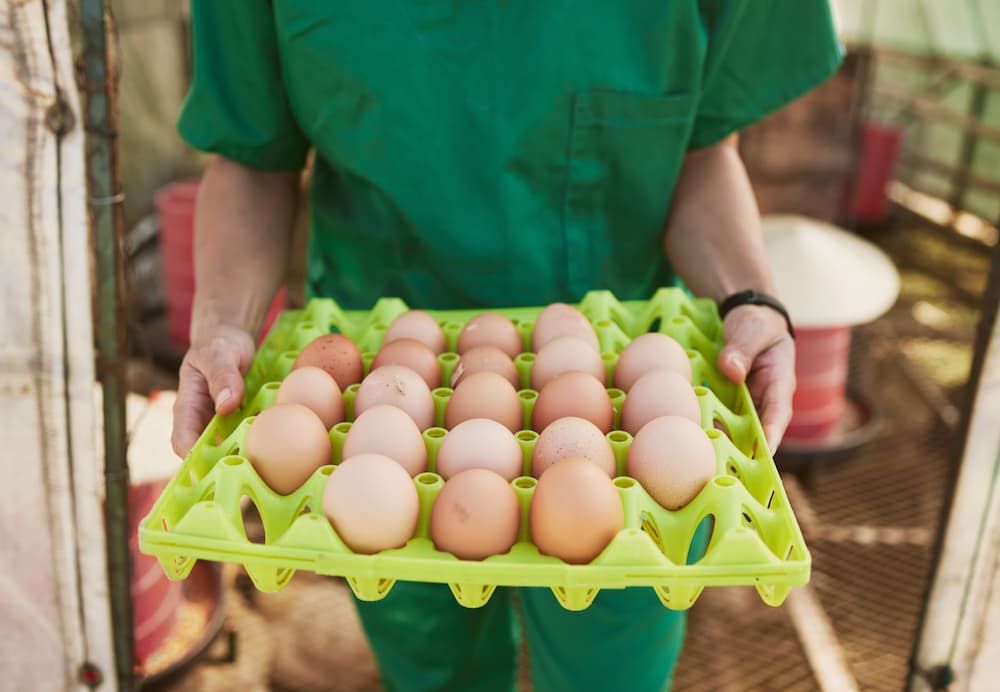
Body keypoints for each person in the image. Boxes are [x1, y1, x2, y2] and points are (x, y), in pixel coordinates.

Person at [170, 2, 841, 689]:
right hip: (377, 388)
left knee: (611, 669)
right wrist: (224, 324)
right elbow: (252, 157)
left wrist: (750, 298)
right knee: (432, 666)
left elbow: (703, 150)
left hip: (621, 396)